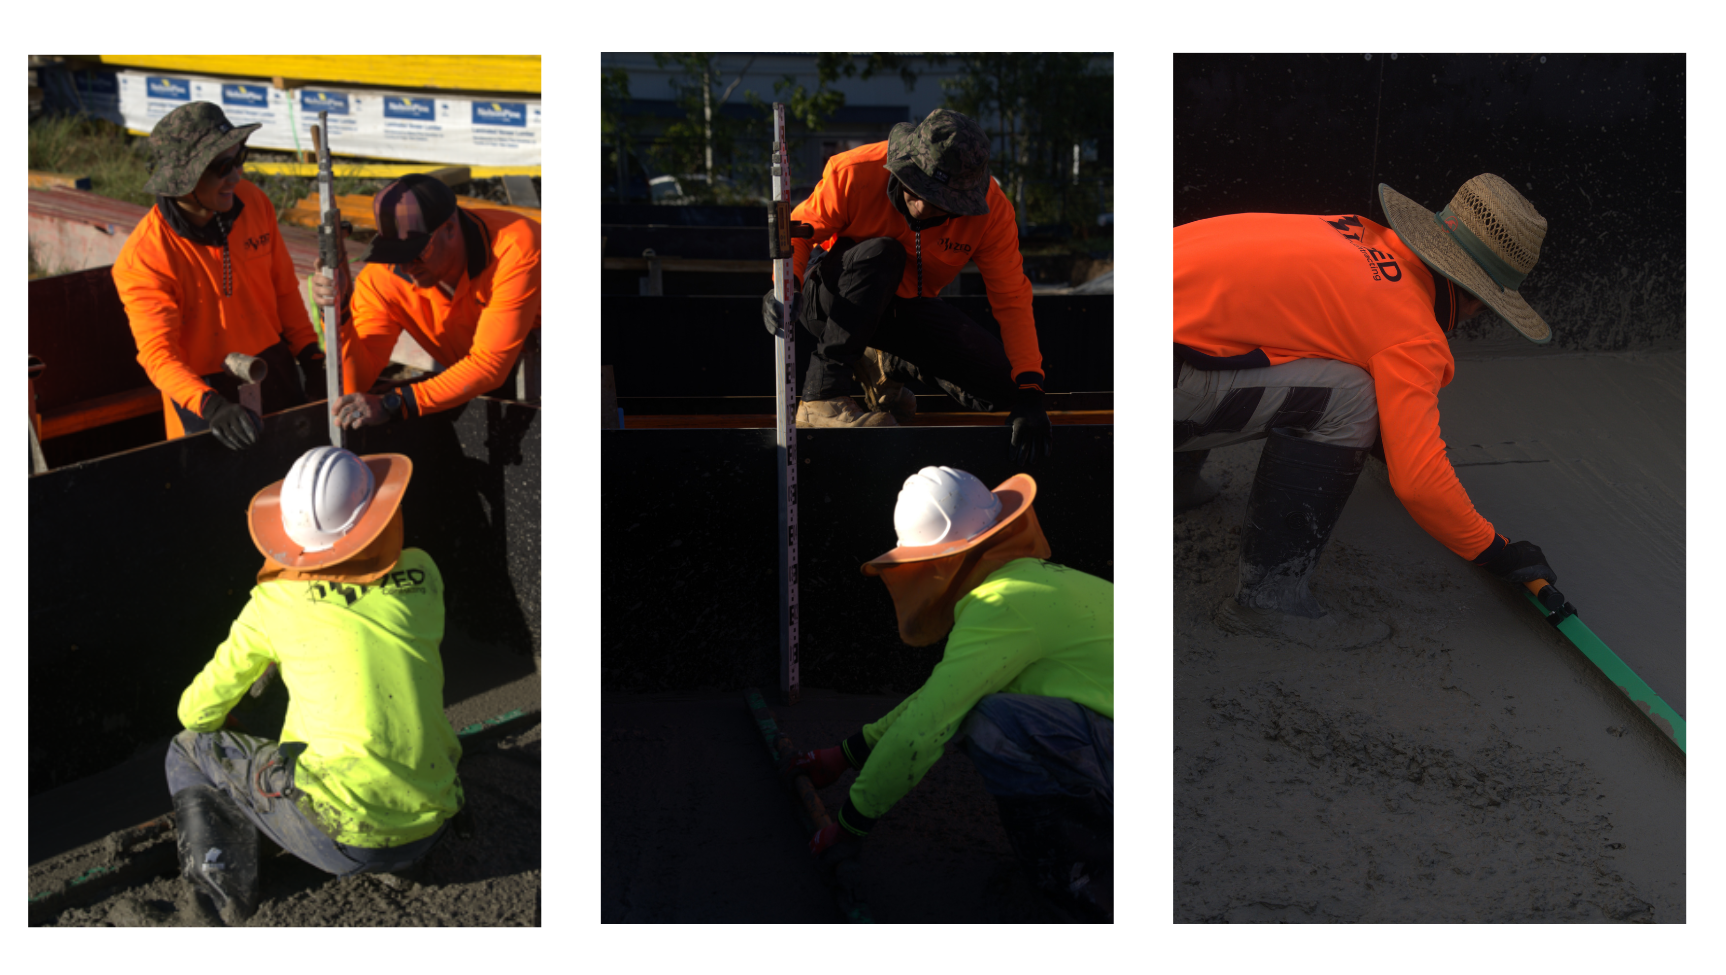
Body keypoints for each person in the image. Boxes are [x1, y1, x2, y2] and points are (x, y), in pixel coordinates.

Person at [1172, 173, 1561, 649]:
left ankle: (1178, 483)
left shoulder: (1355, 230)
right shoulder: (1412, 330)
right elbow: (1420, 485)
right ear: (1478, 300)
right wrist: (1495, 551)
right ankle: (1269, 601)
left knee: (1244, 332)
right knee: (1355, 397)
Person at [784, 466, 1113, 922]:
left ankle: (1080, 880)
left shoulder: (1002, 603)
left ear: (943, 560)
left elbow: (925, 727)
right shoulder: (1039, 582)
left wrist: (849, 827)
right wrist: (846, 753)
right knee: (979, 704)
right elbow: (941, 695)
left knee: (992, 721)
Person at [165, 447, 463, 924]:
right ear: (379, 516)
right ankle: (402, 854)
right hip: (434, 820)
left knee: (187, 747)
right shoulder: (423, 573)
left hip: (339, 838)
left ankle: (219, 897)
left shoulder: (271, 603)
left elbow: (195, 713)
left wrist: (272, 650)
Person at [762, 109, 1053, 465]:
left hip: (902, 309)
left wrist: (1031, 390)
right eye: (917, 187)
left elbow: (1012, 299)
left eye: (939, 200)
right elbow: (798, 230)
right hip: (830, 300)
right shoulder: (855, 170)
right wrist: (785, 284)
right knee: (884, 253)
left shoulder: (992, 214)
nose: (922, 205)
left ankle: (884, 363)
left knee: (1003, 386)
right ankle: (822, 397)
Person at [113, 101, 328, 450]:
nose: (236, 176)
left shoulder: (254, 202)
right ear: (184, 180)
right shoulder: (145, 258)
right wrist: (211, 406)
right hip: (202, 392)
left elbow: (284, 290)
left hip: (273, 366)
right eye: (222, 167)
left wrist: (310, 356)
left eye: (239, 158)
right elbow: (158, 356)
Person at [310, 175, 540, 430]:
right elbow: (355, 384)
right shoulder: (381, 280)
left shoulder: (515, 249)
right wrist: (338, 312)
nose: (406, 267)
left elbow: (489, 365)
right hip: (481, 375)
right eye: (396, 254)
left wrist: (395, 404)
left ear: (450, 228)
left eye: (415, 253)